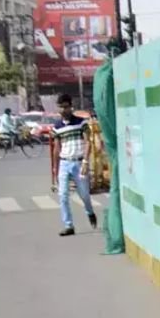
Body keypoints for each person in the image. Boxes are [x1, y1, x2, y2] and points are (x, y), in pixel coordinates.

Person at [53, 94, 97, 237]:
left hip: (79, 162)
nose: (64, 110)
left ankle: (89, 212)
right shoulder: (57, 127)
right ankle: (68, 225)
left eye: (66, 107)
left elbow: (88, 142)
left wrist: (85, 161)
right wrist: (55, 168)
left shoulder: (81, 123)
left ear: (71, 107)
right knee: (63, 195)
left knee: (84, 194)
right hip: (65, 163)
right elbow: (56, 148)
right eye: (61, 107)